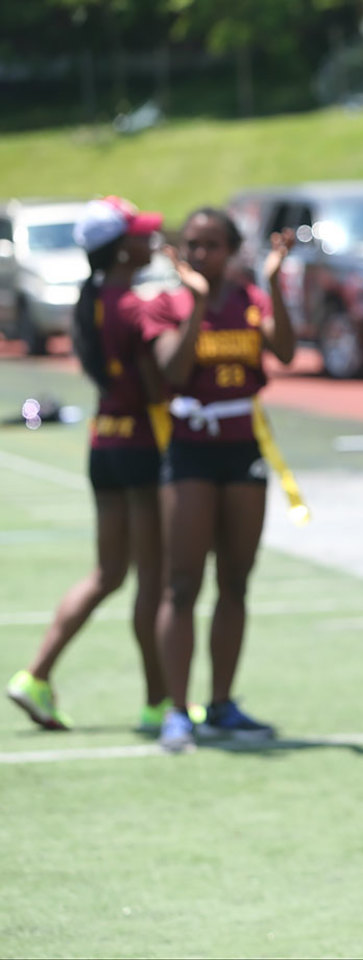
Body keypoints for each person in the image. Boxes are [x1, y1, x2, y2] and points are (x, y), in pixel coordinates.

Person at [6, 196, 169, 733]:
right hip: (141, 447)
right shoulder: (131, 306)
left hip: (104, 443)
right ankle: (157, 703)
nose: (151, 242)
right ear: (121, 249)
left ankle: (36, 675)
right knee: (151, 580)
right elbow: (155, 385)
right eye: (141, 236)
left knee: (108, 573)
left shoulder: (94, 300)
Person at [144, 207, 296, 753]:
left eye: (212, 245)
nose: (202, 254)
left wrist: (275, 285)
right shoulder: (167, 303)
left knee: (235, 580)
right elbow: (173, 370)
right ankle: (177, 711)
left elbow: (285, 351)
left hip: (242, 451)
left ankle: (223, 702)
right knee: (182, 583)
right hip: (190, 453)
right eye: (193, 245)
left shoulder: (251, 301)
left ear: (232, 251)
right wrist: (200, 304)